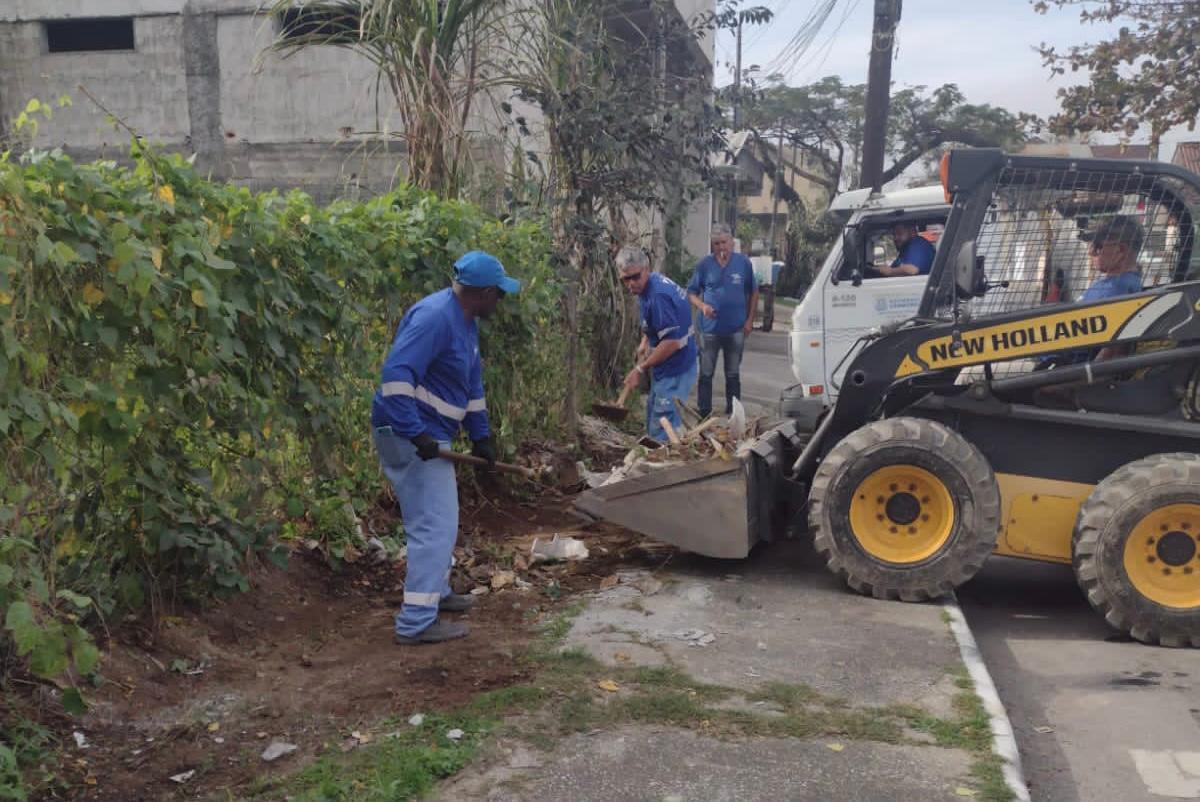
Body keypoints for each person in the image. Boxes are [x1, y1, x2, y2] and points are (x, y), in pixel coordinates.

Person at [371, 251, 519, 645]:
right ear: (483, 293)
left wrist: (481, 437)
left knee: (438, 521)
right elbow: (396, 376)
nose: (501, 301)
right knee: (434, 528)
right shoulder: (435, 318)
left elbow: (471, 389)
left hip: (430, 433)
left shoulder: (465, 322)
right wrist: (414, 432)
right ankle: (417, 621)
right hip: (412, 436)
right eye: (499, 294)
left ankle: (435, 594)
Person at [618, 246, 698, 441]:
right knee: (654, 414)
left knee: (664, 425)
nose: (631, 284)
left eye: (635, 277)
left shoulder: (658, 296)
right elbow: (658, 323)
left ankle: (665, 467)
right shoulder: (648, 286)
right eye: (625, 279)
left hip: (676, 367)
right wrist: (646, 340)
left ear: (646, 268)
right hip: (666, 367)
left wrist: (640, 368)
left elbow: (671, 342)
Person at [687, 224, 758, 418]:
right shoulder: (704, 265)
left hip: (736, 329)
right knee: (706, 373)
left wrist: (750, 320)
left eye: (724, 242)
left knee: (733, 373)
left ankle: (733, 412)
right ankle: (704, 412)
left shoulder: (743, 263)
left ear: (732, 242)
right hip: (709, 330)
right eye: (716, 243)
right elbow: (691, 293)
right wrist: (702, 307)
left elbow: (753, 291)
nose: (721, 247)